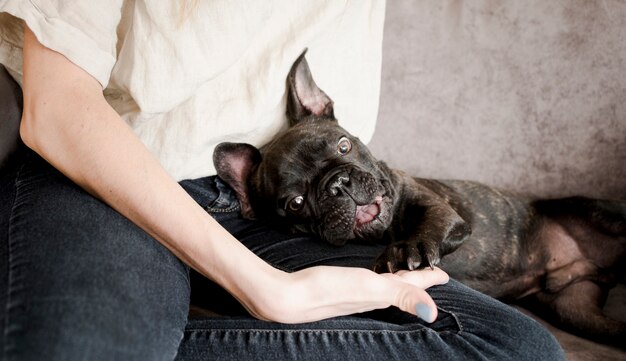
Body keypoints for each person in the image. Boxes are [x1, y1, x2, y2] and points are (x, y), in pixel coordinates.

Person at [0, 1, 565, 360]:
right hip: (109, 176)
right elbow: (56, 109)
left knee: (513, 348)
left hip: (293, 213)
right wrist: (268, 289)